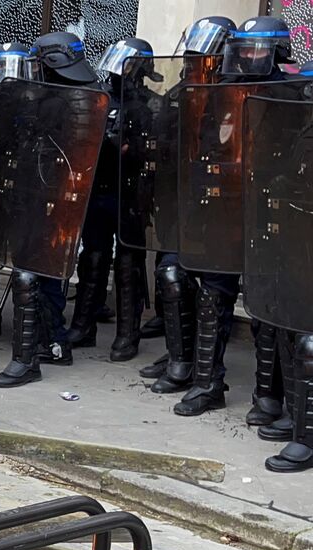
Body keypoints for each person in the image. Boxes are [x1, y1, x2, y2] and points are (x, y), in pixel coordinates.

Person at [174, 16, 295, 418]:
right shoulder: (224, 91)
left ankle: (269, 394)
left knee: (266, 304)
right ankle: (208, 384)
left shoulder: (291, 91)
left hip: (267, 213)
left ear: (277, 50)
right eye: (245, 47)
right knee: (212, 293)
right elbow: (209, 144)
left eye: (258, 48)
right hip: (225, 208)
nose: (249, 56)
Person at [0, 31, 96, 388]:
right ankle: (54, 343)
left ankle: (29, 358)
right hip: (49, 201)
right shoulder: (76, 97)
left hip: (47, 201)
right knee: (47, 274)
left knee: (29, 274)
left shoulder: (56, 103)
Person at [142, 16, 235, 396]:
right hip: (183, 208)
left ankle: (208, 377)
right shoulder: (183, 93)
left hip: (225, 213)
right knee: (170, 275)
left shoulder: (236, 95)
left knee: (214, 292)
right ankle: (180, 356)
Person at [65, 37, 154, 362]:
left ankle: (127, 334)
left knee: (128, 262)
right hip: (99, 189)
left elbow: (149, 154)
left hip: (128, 194)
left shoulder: (146, 107)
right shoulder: (101, 100)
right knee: (93, 256)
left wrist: (125, 149)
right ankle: (84, 325)